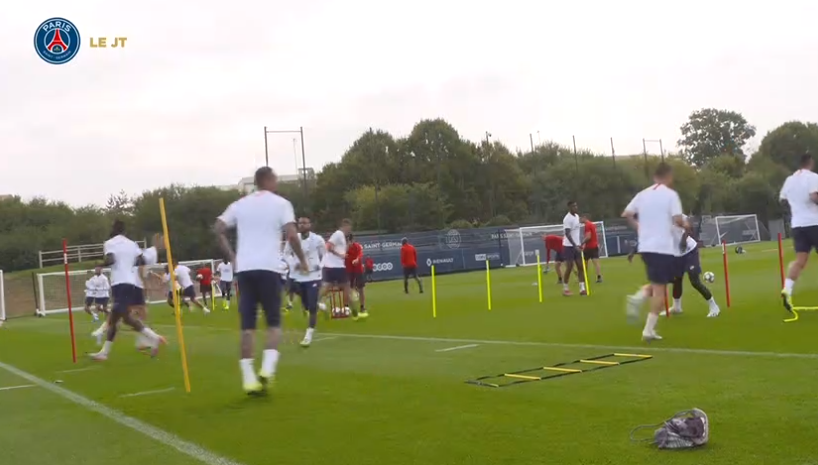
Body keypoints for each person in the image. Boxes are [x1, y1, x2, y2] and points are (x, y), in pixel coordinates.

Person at [214, 166, 307, 395]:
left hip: (245, 270)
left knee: (248, 327)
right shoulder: (281, 204)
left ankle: (248, 378)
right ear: (268, 179)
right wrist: (302, 259)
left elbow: (218, 228)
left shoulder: (240, 204)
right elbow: (292, 235)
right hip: (268, 268)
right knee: (273, 323)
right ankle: (267, 369)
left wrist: (233, 256)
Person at [622, 163, 688, 342]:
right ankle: (648, 330)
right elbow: (678, 219)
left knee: (659, 283)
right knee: (661, 291)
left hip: (646, 247)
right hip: (662, 247)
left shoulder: (642, 194)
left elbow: (627, 214)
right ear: (669, 177)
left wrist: (639, 228)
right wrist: (686, 225)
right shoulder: (671, 195)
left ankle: (637, 298)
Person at [90, 220, 166, 361]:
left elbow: (111, 259)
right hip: (132, 284)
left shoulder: (110, 243)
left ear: (113, 229)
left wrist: (100, 265)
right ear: (125, 231)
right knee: (126, 319)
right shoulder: (132, 244)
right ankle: (154, 338)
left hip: (120, 283)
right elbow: (141, 261)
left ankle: (104, 352)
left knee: (114, 319)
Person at [669, 217, 720, 318]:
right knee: (677, 280)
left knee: (694, 281)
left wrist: (683, 239)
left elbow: (689, 226)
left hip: (690, 252)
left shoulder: (676, 215)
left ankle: (714, 306)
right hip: (676, 255)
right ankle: (676, 307)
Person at [287, 216, 325, 346]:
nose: (302, 225)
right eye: (300, 223)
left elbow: (325, 255)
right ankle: (319, 305)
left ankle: (308, 335)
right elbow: (286, 254)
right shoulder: (293, 239)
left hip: (314, 276)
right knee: (306, 305)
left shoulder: (317, 239)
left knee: (312, 308)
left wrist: (318, 265)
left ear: (310, 224)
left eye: (304, 223)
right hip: (299, 277)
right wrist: (294, 264)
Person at [320, 219, 363, 319]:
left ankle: (318, 302)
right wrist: (340, 255)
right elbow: (328, 246)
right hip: (337, 266)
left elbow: (341, 251)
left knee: (328, 286)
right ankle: (355, 314)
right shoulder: (338, 234)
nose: (350, 230)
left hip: (330, 266)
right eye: (349, 227)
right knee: (346, 287)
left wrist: (346, 247)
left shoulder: (342, 237)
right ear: (344, 225)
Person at [561, 201, 586, 296]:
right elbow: (567, 234)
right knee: (570, 267)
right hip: (568, 246)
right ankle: (566, 289)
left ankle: (582, 289)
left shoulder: (576, 216)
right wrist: (574, 245)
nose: (576, 207)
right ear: (569, 207)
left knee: (580, 266)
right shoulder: (567, 219)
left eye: (576, 205)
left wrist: (578, 244)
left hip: (576, 245)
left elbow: (576, 233)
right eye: (573, 206)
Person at [346, 234, 367, 314]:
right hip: (348, 270)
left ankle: (362, 306)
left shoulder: (357, 246)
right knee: (347, 288)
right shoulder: (344, 248)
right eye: (348, 241)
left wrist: (357, 259)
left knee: (361, 288)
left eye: (351, 241)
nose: (350, 243)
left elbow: (360, 254)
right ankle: (347, 307)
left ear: (353, 240)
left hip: (358, 270)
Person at [580, 216, 603, 283]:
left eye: (580, 219)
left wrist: (582, 243)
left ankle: (583, 277)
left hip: (589, 247)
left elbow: (588, 237)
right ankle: (599, 277)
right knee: (596, 263)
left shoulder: (587, 225)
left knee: (584, 263)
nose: (579, 220)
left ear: (584, 218)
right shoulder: (592, 224)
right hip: (595, 246)